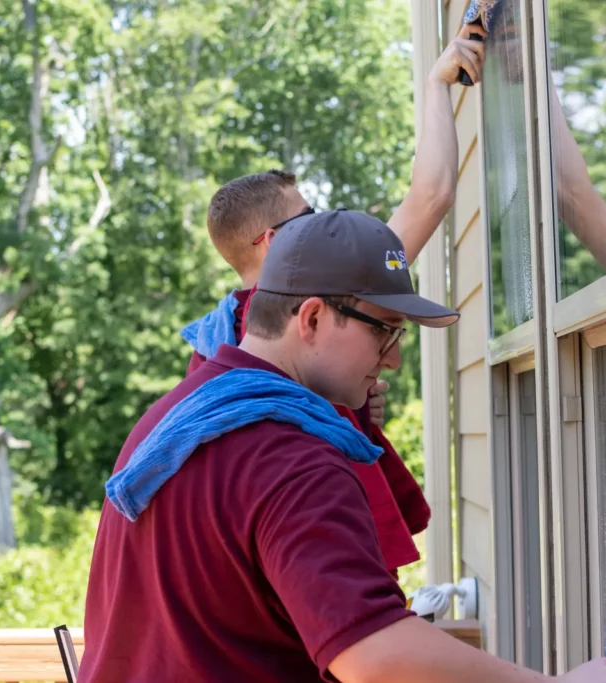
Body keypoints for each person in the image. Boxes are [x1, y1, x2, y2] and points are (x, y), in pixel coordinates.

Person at [79, 209, 606, 683]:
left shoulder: (179, 416)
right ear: (313, 317)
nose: (393, 356)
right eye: (384, 329)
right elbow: (371, 655)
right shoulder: (288, 458)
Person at [177, 29, 488, 582]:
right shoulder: (326, 292)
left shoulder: (223, 348)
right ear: (271, 243)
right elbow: (432, 195)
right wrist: (437, 84)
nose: (324, 225)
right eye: (307, 217)